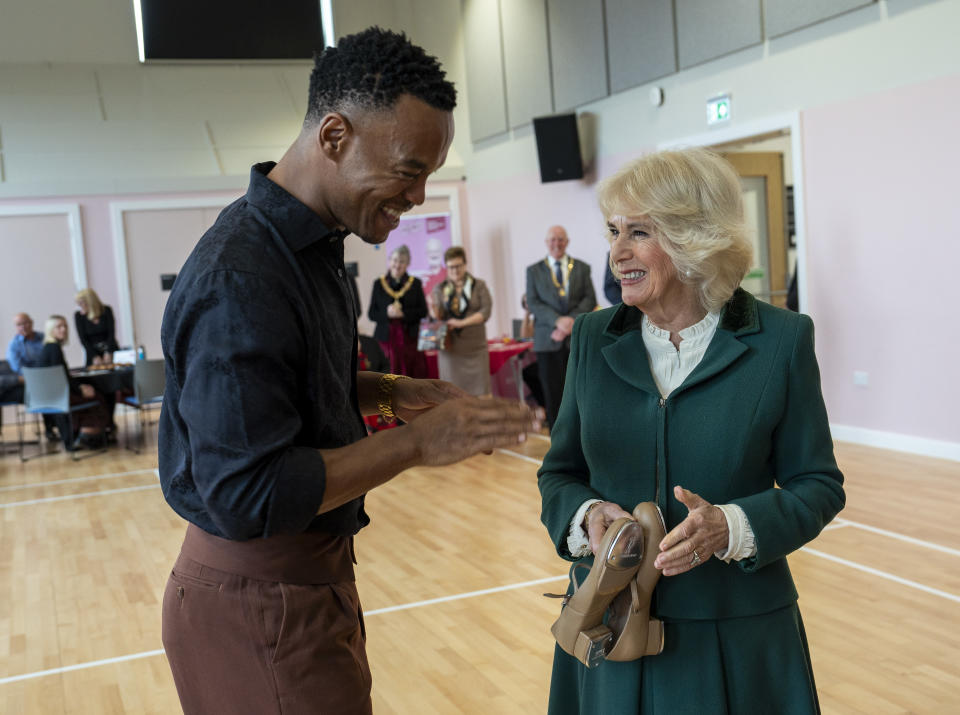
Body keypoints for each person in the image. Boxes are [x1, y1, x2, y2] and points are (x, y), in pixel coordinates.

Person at [158, 27, 540, 715]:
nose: (419, 196)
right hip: (258, 602)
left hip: (303, 588)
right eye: (409, 169)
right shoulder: (240, 273)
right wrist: (418, 442)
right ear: (334, 136)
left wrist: (393, 390)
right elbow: (251, 490)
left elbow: (284, 380)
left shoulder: (310, 246)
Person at [538, 148, 845, 714]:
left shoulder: (781, 340)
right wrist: (587, 516)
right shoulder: (590, 337)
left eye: (638, 233)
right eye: (612, 231)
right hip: (607, 627)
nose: (617, 253)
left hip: (734, 636)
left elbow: (818, 485)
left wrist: (732, 526)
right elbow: (560, 473)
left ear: (693, 238)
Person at [525, 225, 597, 429]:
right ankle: (558, 439)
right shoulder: (534, 271)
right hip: (547, 341)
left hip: (576, 338)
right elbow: (533, 302)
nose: (556, 244)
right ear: (546, 243)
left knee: (579, 390)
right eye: (552, 240)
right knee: (553, 392)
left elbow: (589, 298)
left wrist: (570, 322)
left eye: (561, 239)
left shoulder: (582, 268)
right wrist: (557, 321)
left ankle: (582, 434)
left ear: (567, 242)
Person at [36, 315, 110, 450]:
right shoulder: (54, 348)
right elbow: (61, 378)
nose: (63, 329)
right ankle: (85, 436)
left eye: (65, 326)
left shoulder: (48, 347)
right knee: (98, 397)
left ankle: (81, 435)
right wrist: (81, 389)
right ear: (50, 330)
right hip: (58, 396)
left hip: (50, 395)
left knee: (90, 394)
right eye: (59, 327)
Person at [429, 246, 493, 396]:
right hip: (451, 351)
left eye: (458, 266)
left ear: (465, 264)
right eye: (451, 267)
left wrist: (461, 323)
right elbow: (438, 317)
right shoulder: (439, 288)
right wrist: (433, 309)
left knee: (481, 396)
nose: (455, 270)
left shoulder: (479, 285)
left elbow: (486, 312)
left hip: (475, 348)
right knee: (452, 397)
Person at [368, 244, 429, 377]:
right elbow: (371, 314)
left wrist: (404, 314)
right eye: (395, 260)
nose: (397, 264)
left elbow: (423, 311)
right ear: (390, 261)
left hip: (410, 340)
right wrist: (386, 314)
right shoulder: (378, 284)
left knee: (412, 377)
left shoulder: (415, 283)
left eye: (402, 261)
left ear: (407, 264)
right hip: (384, 340)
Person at [7, 312, 58, 441]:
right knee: (44, 392)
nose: (23, 327)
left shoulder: (45, 338)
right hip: (30, 381)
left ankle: (67, 426)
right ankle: (50, 428)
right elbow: (17, 368)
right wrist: (35, 378)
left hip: (50, 376)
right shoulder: (14, 345)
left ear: (32, 323)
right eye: (19, 324)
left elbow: (53, 358)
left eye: (25, 323)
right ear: (16, 327)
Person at [74, 288, 119, 366]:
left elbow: (111, 334)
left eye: (82, 303)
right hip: (92, 353)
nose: (80, 306)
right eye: (79, 304)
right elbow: (83, 339)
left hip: (110, 349)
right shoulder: (79, 316)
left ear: (90, 301)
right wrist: (94, 356)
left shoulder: (106, 310)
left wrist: (108, 352)